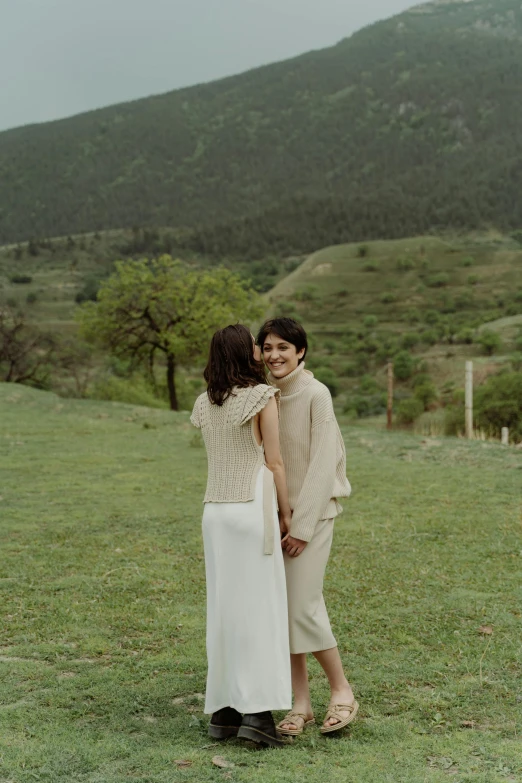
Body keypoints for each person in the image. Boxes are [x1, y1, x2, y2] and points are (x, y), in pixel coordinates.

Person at [190, 323, 292, 748]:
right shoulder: (261, 398)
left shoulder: (203, 403)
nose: (260, 353)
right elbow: (276, 463)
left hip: (215, 513)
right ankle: (256, 714)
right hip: (251, 509)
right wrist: (287, 514)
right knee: (258, 610)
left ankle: (225, 712)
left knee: (225, 609)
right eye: (255, 347)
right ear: (244, 354)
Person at [257, 317, 359, 736]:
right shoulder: (263, 397)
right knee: (282, 612)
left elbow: (322, 466)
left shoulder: (317, 395)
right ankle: (301, 704)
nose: (275, 355)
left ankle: (342, 691)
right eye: (267, 348)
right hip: (271, 519)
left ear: (301, 351)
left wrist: (300, 525)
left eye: (284, 347)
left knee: (303, 606)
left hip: (310, 521)